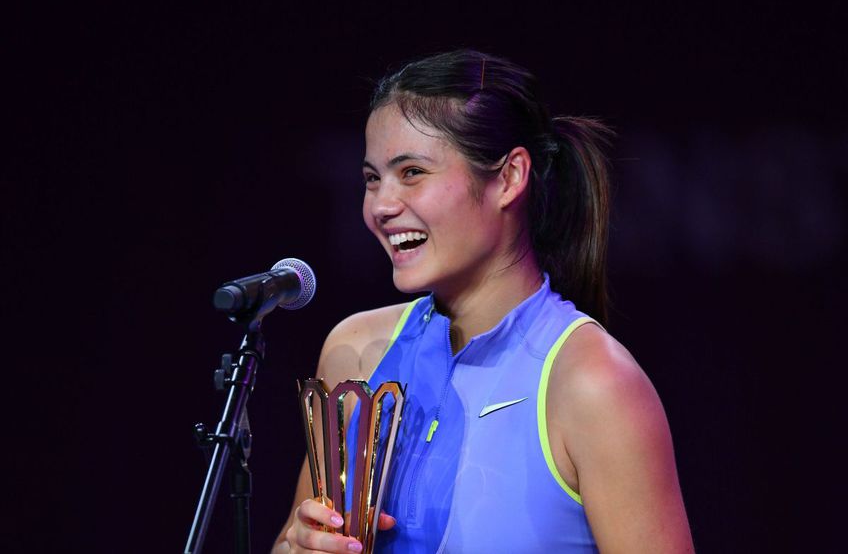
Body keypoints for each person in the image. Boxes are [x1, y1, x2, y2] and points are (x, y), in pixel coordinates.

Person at [273, 50, 693, 553]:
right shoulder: (356, 351)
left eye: (411, 172)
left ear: (510, 177)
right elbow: (303, 540)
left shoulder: (593, 384)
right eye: (371, 178)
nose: (381, 206)